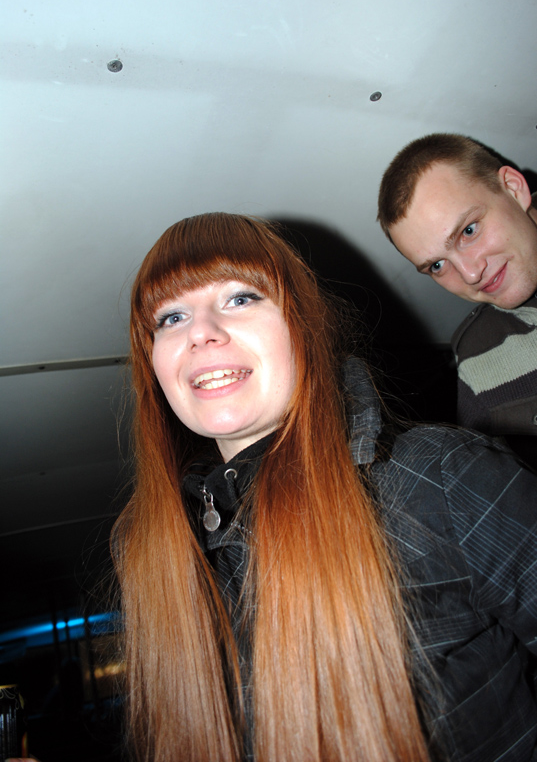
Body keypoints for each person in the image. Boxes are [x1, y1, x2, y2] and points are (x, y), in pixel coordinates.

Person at [104, 212, 537, 762]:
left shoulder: (441, 478)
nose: (200, 331)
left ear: (303, 326)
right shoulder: (146, 550)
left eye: (240, 298)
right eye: (171, 317)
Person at [377, 133, 537, 465]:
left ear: (513, 188)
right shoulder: (477, 360)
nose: (470, 274)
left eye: (468, 231)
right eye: (436, 265)